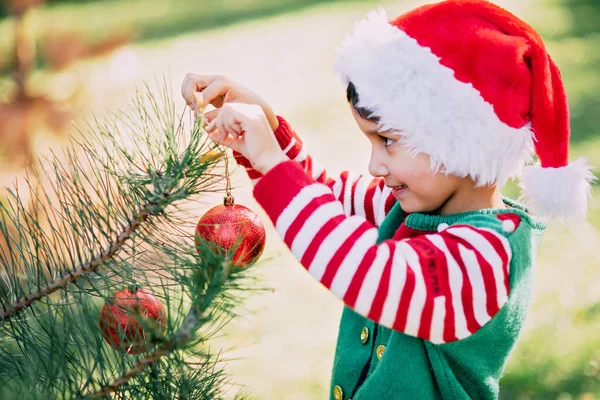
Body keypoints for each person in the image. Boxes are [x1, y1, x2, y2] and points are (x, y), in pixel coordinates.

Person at [181, 1, 594, 398]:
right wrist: (266, 126)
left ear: (458, 139)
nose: (375, 165)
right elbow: (325, 194)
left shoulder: (485, 259)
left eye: (388, 141)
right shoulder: (413, 208)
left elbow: (369, 273)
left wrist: (272, 162)